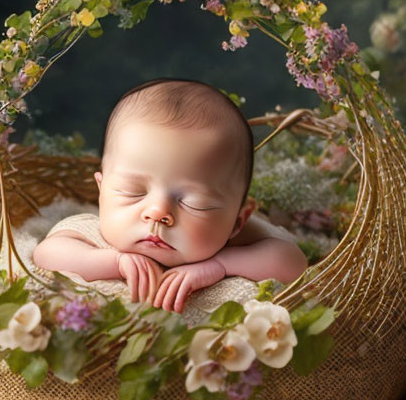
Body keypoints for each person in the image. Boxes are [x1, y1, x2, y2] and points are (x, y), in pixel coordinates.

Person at [32, 78, 308, 314]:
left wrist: (220, 265)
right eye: (133, 191)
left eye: (194, 203)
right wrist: (115, 262)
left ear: (237, 220)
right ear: (101, 191)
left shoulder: (235, 241)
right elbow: (46, 253)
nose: (157, 212)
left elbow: (293, 262)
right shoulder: (92, 234)